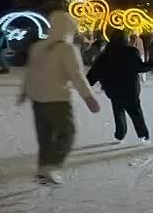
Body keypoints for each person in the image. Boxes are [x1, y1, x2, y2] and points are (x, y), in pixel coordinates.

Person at [20, 11, 100, 184]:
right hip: (58, 100)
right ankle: (51, 165)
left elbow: (30, 72)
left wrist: (25, 91)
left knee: (45, 137)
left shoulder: (38, 47)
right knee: (67, 134)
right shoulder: (67, 49)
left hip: (37, 100)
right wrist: (89, 97)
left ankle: (43, 168)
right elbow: (77, 75)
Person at [86, 29, 153, 142]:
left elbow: (95, 70)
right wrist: (151, 65)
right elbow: (139, 67)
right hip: (130, 88)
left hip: (113, 88)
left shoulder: (107, 53)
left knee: (118, 110)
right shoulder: (131, 52)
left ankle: (120, 134)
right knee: (135, 111)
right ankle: (143, 134)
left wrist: (88, 82)